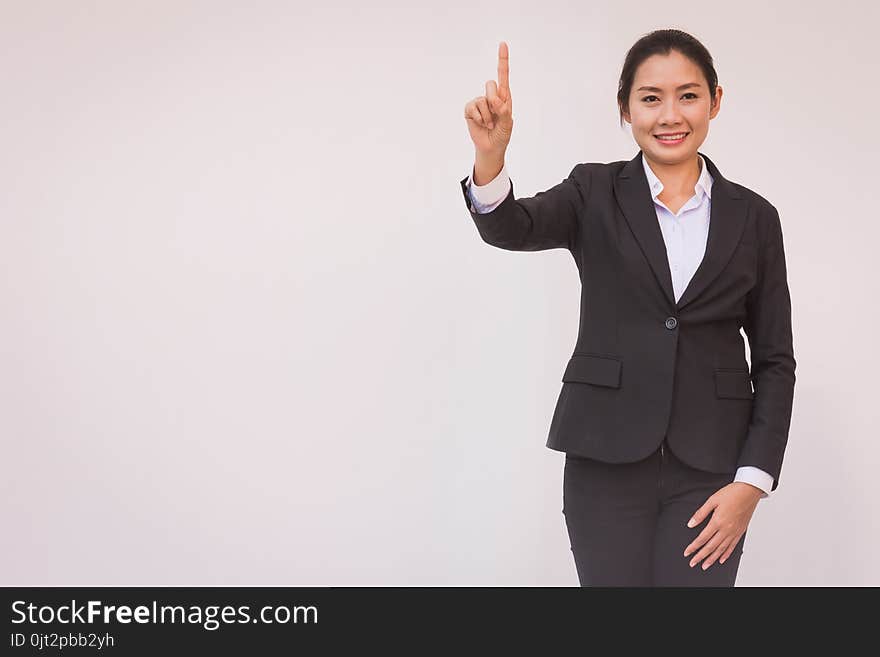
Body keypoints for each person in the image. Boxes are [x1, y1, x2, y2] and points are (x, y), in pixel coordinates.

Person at [458, 30, 796, 587]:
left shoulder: (755, 217)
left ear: (715, 100)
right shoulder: (592, 191)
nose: (670, 115)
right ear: (625, 109)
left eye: (688, 95)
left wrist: (752, 482)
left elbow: (776, 359)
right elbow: (510, 227)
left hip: (711, 471)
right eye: (650, 98)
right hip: (603, 462)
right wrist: (490, 157)